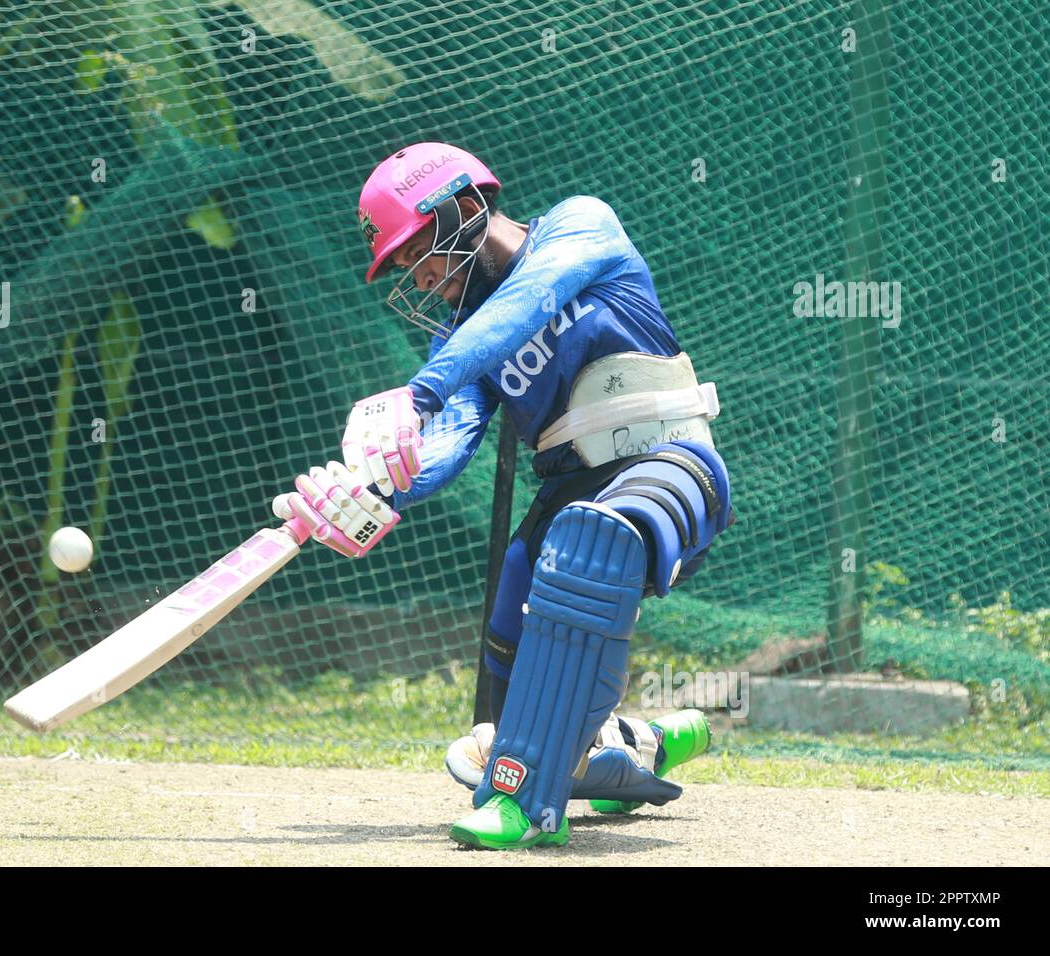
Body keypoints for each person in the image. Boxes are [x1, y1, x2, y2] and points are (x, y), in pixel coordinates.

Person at [271, 142, 735, 850]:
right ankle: (635, 744)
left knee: (588, 546)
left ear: (462, 209)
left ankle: (523, 804)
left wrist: (422, 390)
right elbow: (444, 447)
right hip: (566, 499)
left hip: (669, 466)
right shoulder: (464, 339)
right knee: (503, 702)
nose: (418, 277)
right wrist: (368, 491)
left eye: (415, 250)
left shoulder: (582, 225)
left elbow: (529, 300)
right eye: (402, 266)